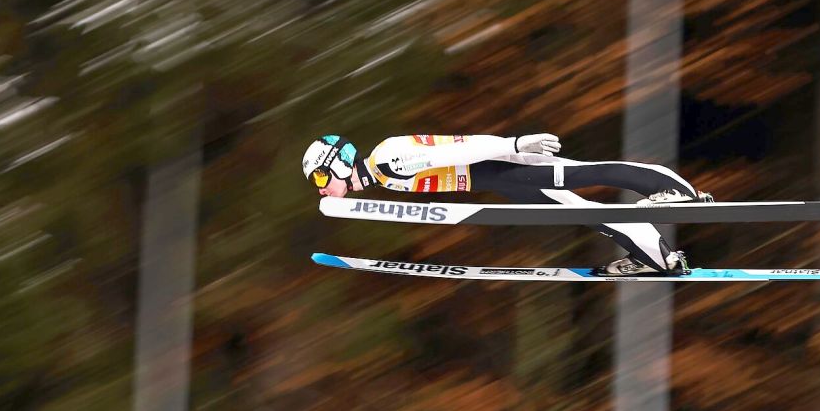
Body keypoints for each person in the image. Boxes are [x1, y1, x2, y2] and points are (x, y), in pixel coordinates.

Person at [302, 133, 713, 276]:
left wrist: (516, 145)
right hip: (503, 182)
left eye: (321, 178)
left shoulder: (388, 159)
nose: (322, 189)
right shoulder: (383, 175)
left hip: (507, 165)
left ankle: (680, 193)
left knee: (585, 174)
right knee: (584, 212)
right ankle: (654, 257)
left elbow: (465, 148)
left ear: (338, 162)